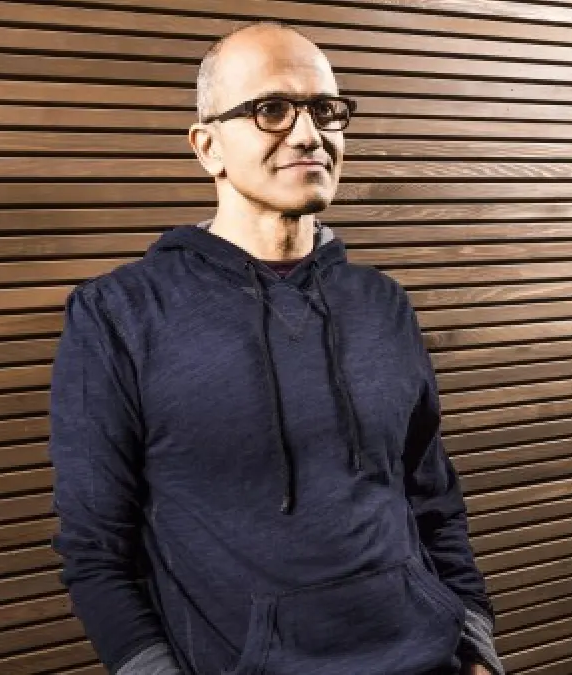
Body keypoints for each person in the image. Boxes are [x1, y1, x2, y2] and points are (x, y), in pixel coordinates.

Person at [49, 20, 503, 675]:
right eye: (271, 110)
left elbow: (433, 500)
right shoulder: (117, 314)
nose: (309, 134)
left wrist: (477, 646)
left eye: (325, 110)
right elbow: (96, 550)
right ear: (208, 147)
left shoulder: (382, 303)